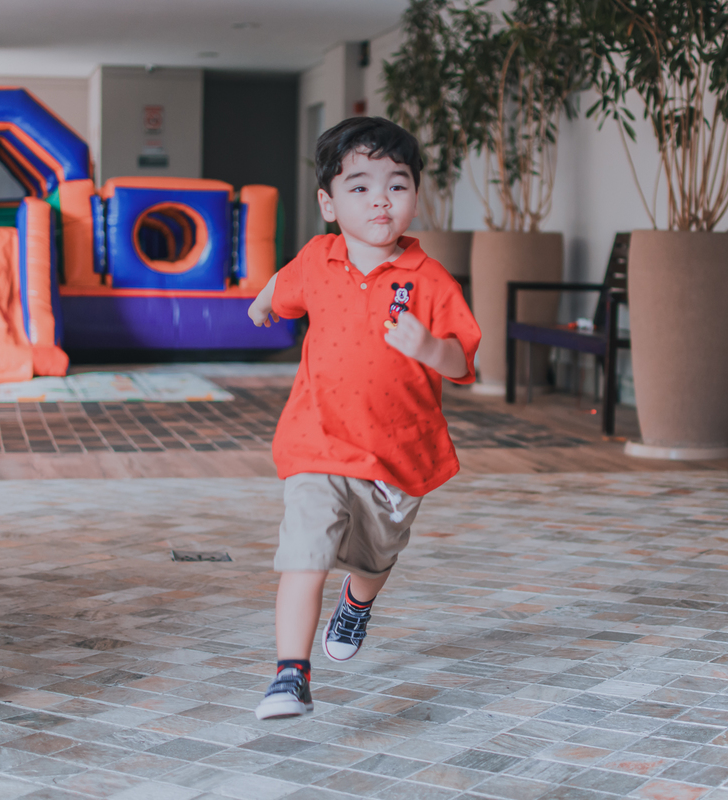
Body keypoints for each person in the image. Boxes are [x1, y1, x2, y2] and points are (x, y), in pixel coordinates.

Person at [247, 116, 481, 719]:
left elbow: (461, 358)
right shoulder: (317, 259)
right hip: (318, 441)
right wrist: (262, 303)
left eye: (396, 185)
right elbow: (283, 284)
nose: (381, 199)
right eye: (360, 186)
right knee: (305, 550)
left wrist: (430, 349)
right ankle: (290, 675)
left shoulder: (430, 281)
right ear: (328, 204)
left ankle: (356, 603)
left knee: (374, 557)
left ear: (415, 195)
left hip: (398, 455)